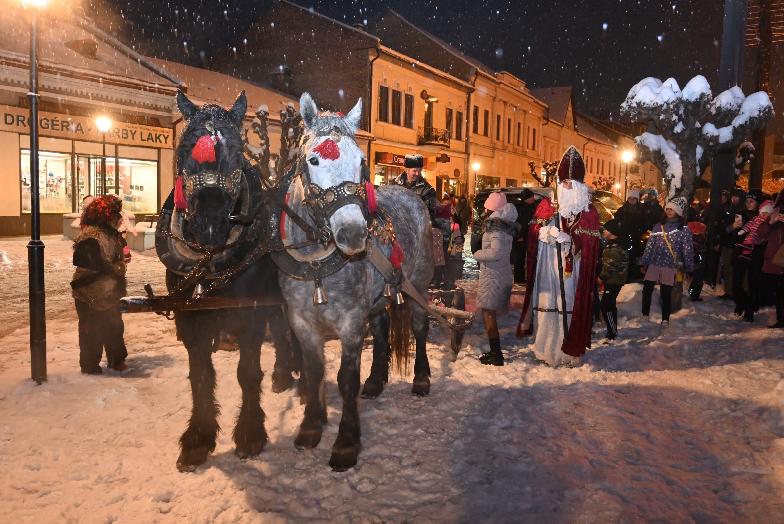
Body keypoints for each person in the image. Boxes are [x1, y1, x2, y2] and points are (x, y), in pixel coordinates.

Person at [517, 146, 601, 366]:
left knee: (570, 305)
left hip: (573, 271)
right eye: (564, 183)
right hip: (548, 268)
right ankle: (546, 350)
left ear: (581, 186)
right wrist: (544, 233)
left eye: (571, 183)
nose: (566, 187)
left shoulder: (588, 211)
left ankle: (568, 352)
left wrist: (571, 241)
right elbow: (533, 232)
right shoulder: (547, 205)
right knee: (549, 306)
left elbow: (592, 244)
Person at [71, 194, 129, 374]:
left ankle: (116, 359)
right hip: (91, 293)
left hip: (109, 291)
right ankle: (90, 366)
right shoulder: (92, 235)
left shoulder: (110, 234)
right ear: (106, 216)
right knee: (91, 331)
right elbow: (85, 259)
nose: (120, 218)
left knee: (114, 326)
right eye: (116, 214)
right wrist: (114, 268)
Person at [474, 192, 518, 366]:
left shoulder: (496, 227)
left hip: (493, 275)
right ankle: (495, 351)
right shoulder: (503, 225)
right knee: (488, 313)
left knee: (488, 314)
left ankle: (496, 354)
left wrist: (478, 254)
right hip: (497, 273)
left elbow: (496, 252)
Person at [640, 196, 694, 327]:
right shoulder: (658, 226)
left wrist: (689, 267)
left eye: (672, 209)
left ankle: (665, 318)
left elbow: (687, 249)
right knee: (647, 289)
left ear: (678, 212)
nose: (669, 211)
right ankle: (645, 314)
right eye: (667, 209)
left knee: (666, 292)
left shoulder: (683, 230)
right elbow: (650, 246)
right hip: (654, 262)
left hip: (670, 265)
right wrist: (644, 262)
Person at [733, 198, 774, 322]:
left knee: (752, 284)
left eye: (751, 201)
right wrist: (735, 230)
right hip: (742, 251)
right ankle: (741, 303)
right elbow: (736, 232)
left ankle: (749, 310)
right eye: (747, 201)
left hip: (756, 254)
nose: (748, 204)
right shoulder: (742, 214)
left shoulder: (770, 222)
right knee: (736, 283)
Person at [598, 218, 629, 340]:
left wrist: (600, 277)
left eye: (605, 230)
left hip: (613, 280)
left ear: (612, 232)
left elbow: (609, 267)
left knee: (606, 305)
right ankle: (612, 330)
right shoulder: (613, 245)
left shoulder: (614, 248)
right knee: (608, 304)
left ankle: (612, 332)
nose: (603, 232)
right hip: (614, 280)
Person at [757, 195, 784, 328]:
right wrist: (770, 222)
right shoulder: (775, 213)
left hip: (777, 258)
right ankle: (781, 318)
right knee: (778, 291)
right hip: (775, 260)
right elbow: (760, 232)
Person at [614, 189, 647, 280]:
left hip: (636, 239)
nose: (631, 200)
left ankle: (634, 278)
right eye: (630, 198)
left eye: (634, 198)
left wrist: (640, 230)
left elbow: (645, 223)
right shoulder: (622, 210)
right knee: (625, 258)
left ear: (637, 199)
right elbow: (616, 221)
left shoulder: (641, 210)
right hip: (624, 239)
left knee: (635, 258)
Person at [394, 154, 436, 224]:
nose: (417, 173)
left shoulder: (427, 189)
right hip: (397, 227)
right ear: (406, 170)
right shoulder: (394, 184)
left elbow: (432, 213)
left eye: (419, 171)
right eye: (414, 171)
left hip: (417, 227)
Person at [510, 188, 538, 283]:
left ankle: (523, 278)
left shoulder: (531, 206)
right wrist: (519, 236)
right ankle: (519, 279)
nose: (533, 198)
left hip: (528, 236)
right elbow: (518, 223)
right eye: (532, 197)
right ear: (527, 198)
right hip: (520, 237)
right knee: (519, 259)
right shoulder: (520, 208)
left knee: (526, 258)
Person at [687, 209, 708, 301]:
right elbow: (699, 250)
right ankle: (693, 295)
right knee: (698, 280)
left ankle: (691, 292)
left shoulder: (691, 237)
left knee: (697, 279)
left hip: (696, 260)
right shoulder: (698, 238)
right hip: (698, 260)